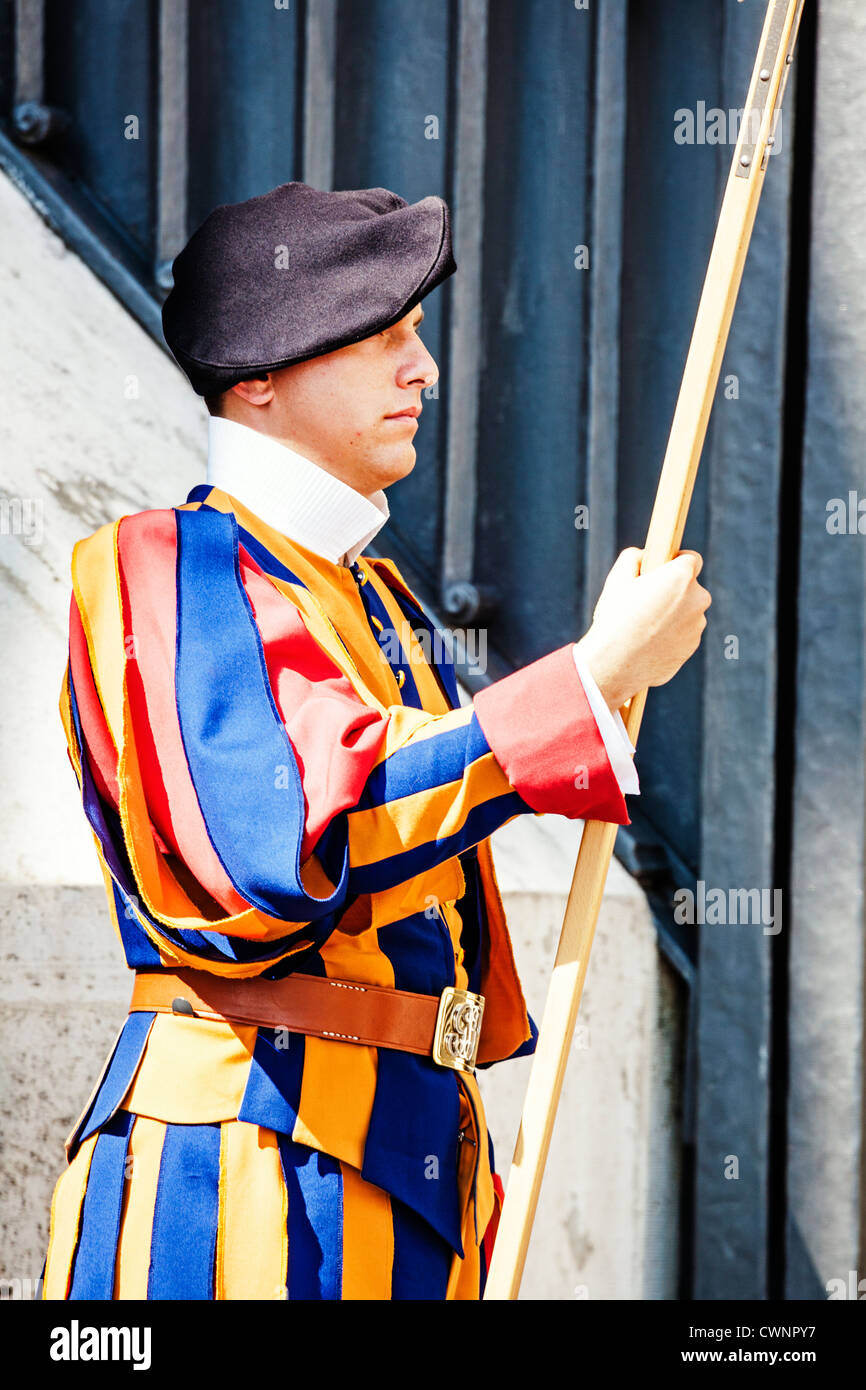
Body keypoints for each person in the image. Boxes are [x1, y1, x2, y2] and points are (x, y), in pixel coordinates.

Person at [42, 182, 710, 1301]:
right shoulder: (164, 563)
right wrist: (587, 681)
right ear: (257, 378)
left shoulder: (382, 599)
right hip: (245, 1166)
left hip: (406, 1164)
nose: (424, 370)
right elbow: (295, 828)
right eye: (384, 336)